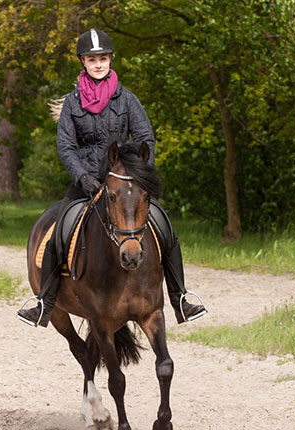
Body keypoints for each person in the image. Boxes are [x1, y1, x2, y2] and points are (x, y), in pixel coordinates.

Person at [17, 28, 207, 328]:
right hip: (87, 181)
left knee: (164, 227)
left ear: (110, 60)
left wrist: (138, 177)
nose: (98, 64)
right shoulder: (72, 103)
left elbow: (146, 138)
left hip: (125, 183)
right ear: (83, 62)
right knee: (57, 234)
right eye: (93, 60)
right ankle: (45, 302)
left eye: (103, 58)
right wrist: (82, 177)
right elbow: (66, 146)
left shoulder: (127, 100)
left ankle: (180, 298)